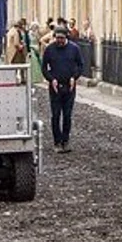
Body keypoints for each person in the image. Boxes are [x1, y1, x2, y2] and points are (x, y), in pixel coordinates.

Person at [41, 25, 84, 153]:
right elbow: (44, 67)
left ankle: (65, 140)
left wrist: (74, 77)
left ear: (66, 38)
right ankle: (57, 141)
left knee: (67, 115)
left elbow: (80, 65)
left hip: (69, 86)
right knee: (55, 115)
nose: (59, 40)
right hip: (55, 87)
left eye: (62, 38)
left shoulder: (74, 49)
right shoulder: (50, 49)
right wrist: (51, 79)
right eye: (57, 38)